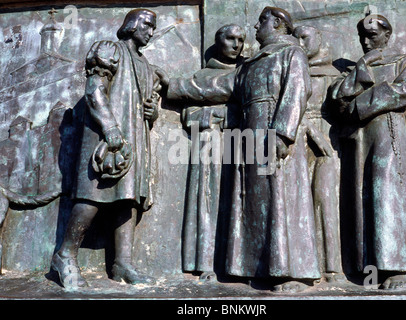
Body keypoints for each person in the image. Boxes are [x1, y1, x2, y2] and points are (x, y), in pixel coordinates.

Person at [167, 7, 321, 292]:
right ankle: (260, 268)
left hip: (274, 131)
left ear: (277, 24)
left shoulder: (291, 54)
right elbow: (217, 86)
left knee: (283, 201)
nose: (255, 26)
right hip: (251, 132)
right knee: (254, 201)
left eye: (261, 21)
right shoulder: (251, 64)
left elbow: (297, 91)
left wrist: (283, 135)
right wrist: (172, 86)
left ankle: (291, 273)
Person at [51, 8, 166, 289]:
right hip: (106, 134)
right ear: (132, 25)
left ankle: (122, 264)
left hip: (134, 138)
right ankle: (65, 255)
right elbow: (94, 91)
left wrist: (152, 112)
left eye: (154, 27)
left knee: (128, 199)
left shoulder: (146, 65)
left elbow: (148, 108)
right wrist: (111, 129)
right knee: (92, 196)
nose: (150, 32)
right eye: (147, 25)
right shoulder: (109, 49)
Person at [329, 14, 406, 289]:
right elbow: (339, 99)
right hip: (362, 139)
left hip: (390, 134)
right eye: (362, 37)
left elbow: (405, 89)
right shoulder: (359, 68)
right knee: (364, 196)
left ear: (387, 35)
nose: (366, 42)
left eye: (373, 36)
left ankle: (402, 267)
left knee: (390, 193)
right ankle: (371, 266)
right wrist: (360, 72)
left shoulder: (402, 61)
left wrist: (362, 103)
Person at [181, 24, 245, 281]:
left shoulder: (249, 72)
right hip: (211, 146)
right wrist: (217, 115)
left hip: (244, 146)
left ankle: (239, 264)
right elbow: (189, 115)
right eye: (230, 38)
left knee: (239, 200)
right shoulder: (202, 76)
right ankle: (207, 263)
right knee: (208, 201)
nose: (236, 44)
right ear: (219, 42)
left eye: (241, 39)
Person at [293, 25, 345, 283]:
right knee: (297, 204)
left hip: (327, 142)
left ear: (320, 39)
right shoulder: (290, 68)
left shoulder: (332, 74)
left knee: (326, 200)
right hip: (297, 138)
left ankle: (332, 268)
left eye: (305, 37)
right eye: (295, 37)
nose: (299, 42)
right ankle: (302, 266)